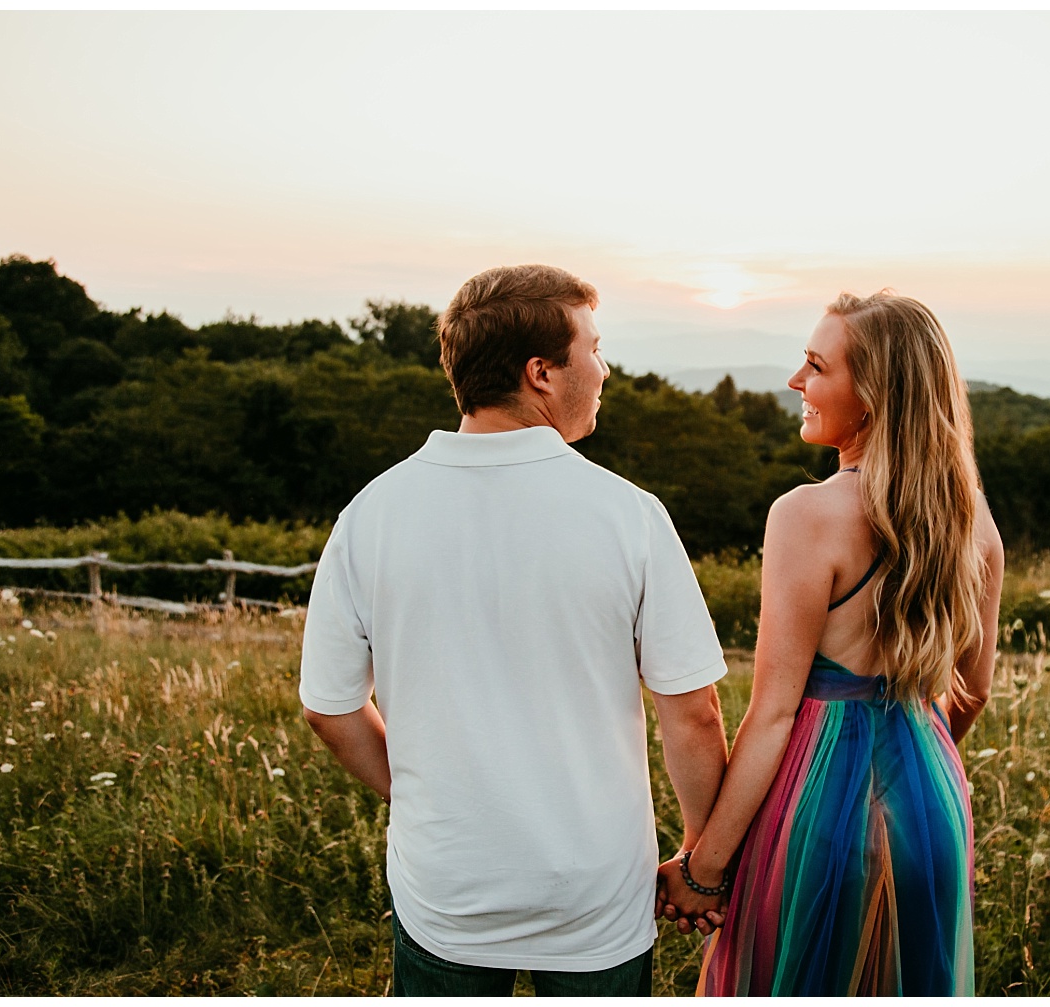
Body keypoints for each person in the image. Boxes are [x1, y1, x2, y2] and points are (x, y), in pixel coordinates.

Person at [299, 264, 731, 997]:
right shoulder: (628, 514)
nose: (605, 368)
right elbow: (692, 714)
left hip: (448, 888)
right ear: (541, 372)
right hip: (597, 894)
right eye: (594, 347)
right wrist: (698, 863)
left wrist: (428, 796)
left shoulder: (371, 513)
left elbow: (329, 709)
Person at [659, 291, 1004, 996]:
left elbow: (773, 714)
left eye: (816, 366)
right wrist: (907, 763)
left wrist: (703, 868)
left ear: (872, 395)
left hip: (816, 807)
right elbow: (971, 693)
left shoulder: (805, 515)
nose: (796, 382)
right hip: (930, 798)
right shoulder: (975, 525)